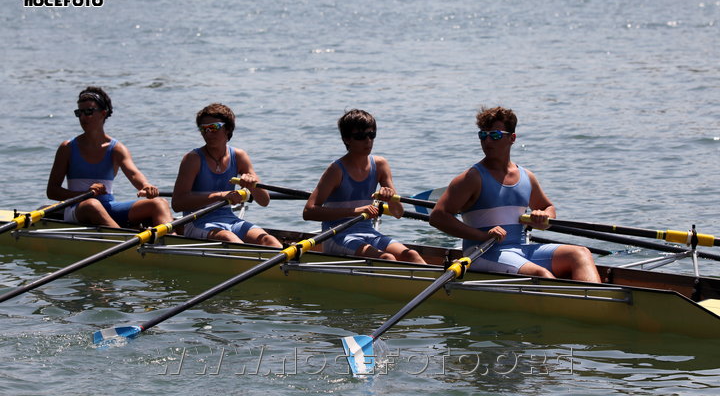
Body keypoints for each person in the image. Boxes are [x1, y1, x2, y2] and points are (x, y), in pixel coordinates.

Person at [429, 106, 600, 282]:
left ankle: (600, 304)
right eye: (483, 135)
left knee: (580, 253)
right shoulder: (471, 178)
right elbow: (438, 216)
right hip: (484, 253)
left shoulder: (527, 177)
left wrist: (543, 217)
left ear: (512, 138)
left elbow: (547, 207)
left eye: (495, 135)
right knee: (541, 274)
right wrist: (482, 236)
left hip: (522, 250)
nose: (487, 141)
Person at [303, 109, 426, 263]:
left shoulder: (380, 165)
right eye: (360, 137)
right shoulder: (336, 170)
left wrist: (390, 199)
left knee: (411, 255)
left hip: (368, 232)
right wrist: (356, 211)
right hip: (337, 235)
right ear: (347, 139)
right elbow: (309, 212)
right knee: (386, 258)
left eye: (371, 135)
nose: (368, 141)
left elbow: (398, 213)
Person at [47, 86, 173, 228]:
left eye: (88, 112)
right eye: (79, 112)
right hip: (77, 207)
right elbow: (52, 191)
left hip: (108, 206)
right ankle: (123, 241)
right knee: (92, 204)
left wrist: (146, 186)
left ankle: (171, 241)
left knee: (159, 203)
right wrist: (85, 193)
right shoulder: (67, 148)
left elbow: (133, 174)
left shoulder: (116, 148)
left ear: (103, 113)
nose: (83, 117)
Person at [172, 103, 281, 247]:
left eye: (214, 127)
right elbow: (177, 203)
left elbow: (264, 201)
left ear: (228, 128)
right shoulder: (193, 159)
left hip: (229, 219)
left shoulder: (239, 156)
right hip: (195, 221)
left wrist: (253, 185)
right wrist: (221, 195)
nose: (208, 133)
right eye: (203, 129)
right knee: (229, 238)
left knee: (269, 240)